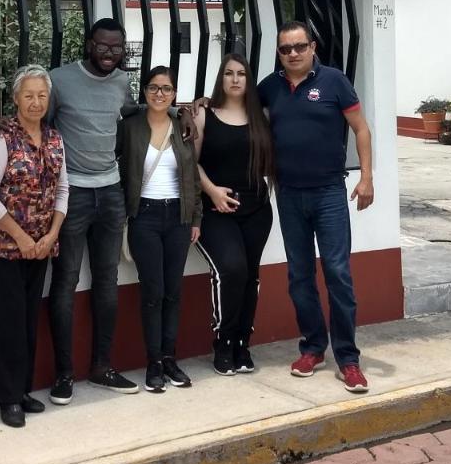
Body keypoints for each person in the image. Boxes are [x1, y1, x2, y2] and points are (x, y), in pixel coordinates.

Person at [40, 18, 195, 405]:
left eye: (116, 48)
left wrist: (183, 111)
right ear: (88, 44)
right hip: (71, 194)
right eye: (103, 46)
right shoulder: (59, 80)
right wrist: (1, 123)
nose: (109, 54)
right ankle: (63, 374)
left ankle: (102, 367)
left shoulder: (122, 83)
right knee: (66, 281)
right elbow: (38, 120)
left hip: (111, 193)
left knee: (106, 282)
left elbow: (142, 110)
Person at [259, 20, 375, 393]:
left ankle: (348, 358)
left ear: (313, 47)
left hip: (328, 193)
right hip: (289, 194)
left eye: (299, 46)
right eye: (285, 49)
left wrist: (367, 177)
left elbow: (360, 128)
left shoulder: (334, 81)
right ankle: (312, 347)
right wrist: (199, 106)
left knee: (339, 274)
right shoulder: (271, 87)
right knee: (299, 276)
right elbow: (237, 106)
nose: (292, 53)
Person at [0, 65, 68, 428]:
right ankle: (8, 397)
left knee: (28, 320)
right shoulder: (1, 140)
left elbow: (63, 190)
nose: (35, 102)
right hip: (2, 246)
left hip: (41, 245)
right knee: (6, 322)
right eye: (28, 95)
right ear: (15, 99)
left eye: (42, 95)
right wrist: (23, 238)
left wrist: (50, 235)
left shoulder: (55, 139)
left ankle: (23, 390)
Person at [118, 66, 202, 393]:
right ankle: (153, 362)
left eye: (166, 89)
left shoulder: (182, 127)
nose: (159, 94)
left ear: (174, 94)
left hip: (178, 217)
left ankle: (169, 358)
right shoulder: (130, 128)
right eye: (153, 88)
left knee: (173, 292)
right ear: (144, 92)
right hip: (145, 217)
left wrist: (196, 218)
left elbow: (193, 177)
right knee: (152, 293)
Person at [191, 53, 275, 376]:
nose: (235, 79)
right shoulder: (204, 115)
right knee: (232, 269)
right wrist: (212, 190)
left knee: (251, 275)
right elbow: (191, 162)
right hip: (216, 210)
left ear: (248, 79)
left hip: (256, 210)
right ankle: (223, 342)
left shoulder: (261, 116)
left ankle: (243, 344)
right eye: (229, 73)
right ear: (221, 78)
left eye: (241, 73)